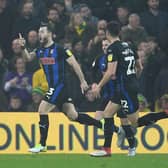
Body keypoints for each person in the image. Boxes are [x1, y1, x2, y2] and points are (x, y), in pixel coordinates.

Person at [18, 23, 103, 153]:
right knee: (73, 116)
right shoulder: (40, 50)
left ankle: (42, 144)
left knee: (42, 109)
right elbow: (28, 58)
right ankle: (103, 125)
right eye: (39, 32)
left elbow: (74, 64)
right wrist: (23, 48)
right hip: (54, 88)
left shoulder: (60, 49)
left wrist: (82, 81)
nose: (39, 34)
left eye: (42, 32)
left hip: (61, 86)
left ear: (50, 33)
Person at [90, 21, 168, 157]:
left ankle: (165, 113)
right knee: (107, 114)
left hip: (124, 88)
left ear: (108, 33)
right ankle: (106, 149)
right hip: (126, 86)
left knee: (135, 122)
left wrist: (99, 86)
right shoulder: (129, 46)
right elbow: (140, 67)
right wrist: (132, 80)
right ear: (119, 32)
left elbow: (110, 72)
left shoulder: (113, 48)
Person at [90, 39, 136, 156]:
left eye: (106, 45)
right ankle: (117, 131)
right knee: (98, 118)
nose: (105, 47)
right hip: (107, 94)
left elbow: (116, 73)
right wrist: (94, 83)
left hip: (119, 91)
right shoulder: (99, 59)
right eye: (103, 45)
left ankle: (131, 146)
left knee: (124, 120)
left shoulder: (117, 55)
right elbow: (92, 72)